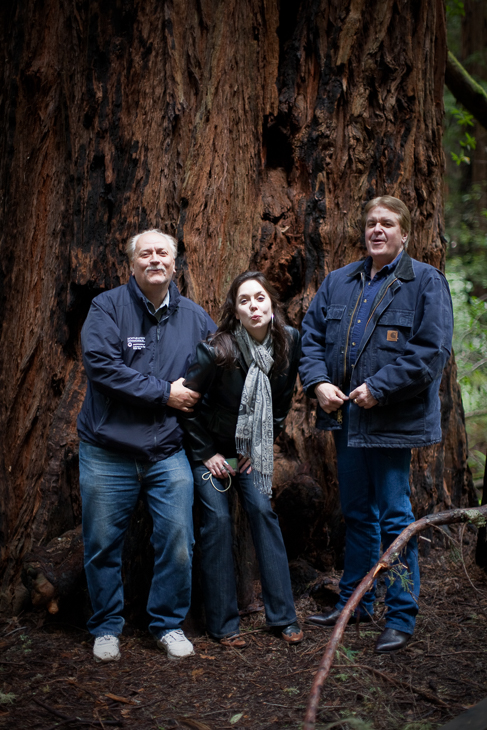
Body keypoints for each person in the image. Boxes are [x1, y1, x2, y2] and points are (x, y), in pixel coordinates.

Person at [299, 196, 453, 653]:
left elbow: (430, 352)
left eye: (387, 223)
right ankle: (356, 604)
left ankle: (401, 616)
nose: (377, 230)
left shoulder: (425, 281)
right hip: (347, 419)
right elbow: (310, 339)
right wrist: (318, 382)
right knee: (358, 513)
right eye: (371, 223)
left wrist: (379, 387)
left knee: (395, 517)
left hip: (392, 421)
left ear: (405, 233)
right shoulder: (338, 282)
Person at [77, 229, 215, 662]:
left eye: (163, 254)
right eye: (146, 254)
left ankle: (168, 623)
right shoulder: (107, 308)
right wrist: (163, 393)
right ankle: (106, 626)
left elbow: (214, 372)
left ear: (175, 265)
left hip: (166, 451)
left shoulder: (196, 319)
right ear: (132, 264)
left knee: (178, 540)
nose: (155, 260)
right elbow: (102, 367)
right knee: (102, 542)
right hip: (107, 449)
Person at [181, 271, 303, 647]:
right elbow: (187, 407)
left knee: (262, 513)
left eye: (260, 298)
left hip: (251, 452)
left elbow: (281, 403)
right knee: (216, 520)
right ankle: (222, 625)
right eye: (245, 300)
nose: (254, 306)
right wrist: (206, 454)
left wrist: (257, 446)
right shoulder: (216, 350)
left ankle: (283, 617)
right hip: (210, 452)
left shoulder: (289, 342)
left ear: (272, 304)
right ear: (235, 311)